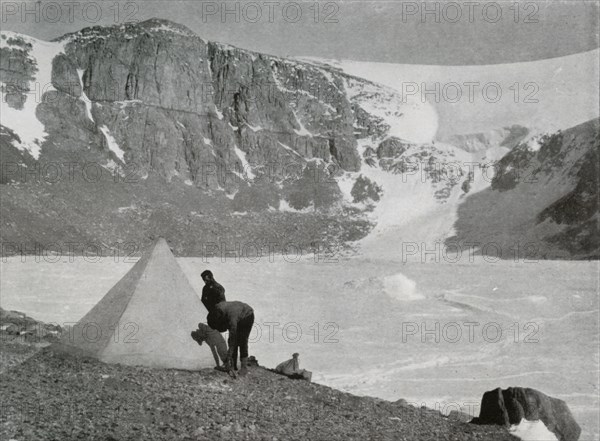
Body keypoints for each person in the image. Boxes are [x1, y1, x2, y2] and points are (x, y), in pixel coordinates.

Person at [207, 301, 254, 377]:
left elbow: (233, 338)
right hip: (236, 312)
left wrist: (228, 355)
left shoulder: (232, 317)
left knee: (242, 341)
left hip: (247, 316)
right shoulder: (216, 309)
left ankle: (243, 368)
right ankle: (233, 366)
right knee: (232, 341)